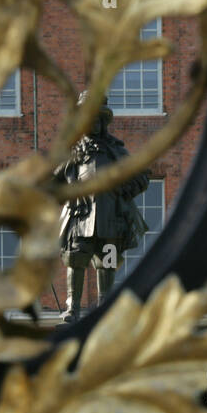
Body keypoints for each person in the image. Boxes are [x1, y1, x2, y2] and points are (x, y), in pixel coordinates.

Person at [53, 92, 150, 322]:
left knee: (107, 262)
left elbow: (142, 175)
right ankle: (72, 309)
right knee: (76, 259)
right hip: (80, 214)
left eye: (97, 120)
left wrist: (124, 190)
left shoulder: (115, 150)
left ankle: (105, 309)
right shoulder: (71, 151)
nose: (93, 124)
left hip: (109, 216)